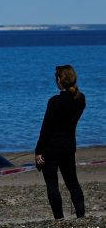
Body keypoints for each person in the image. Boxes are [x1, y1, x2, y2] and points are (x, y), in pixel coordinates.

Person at [35, 65, 86, 219]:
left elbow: (46, 130)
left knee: (52, 184)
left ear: (60, 80)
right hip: (69, 146)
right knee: (72, 182)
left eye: (56, 77)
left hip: (51, 148)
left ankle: (59, 218)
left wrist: (38, 151)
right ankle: (81, 216)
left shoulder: (55, 102)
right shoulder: (80, 99)